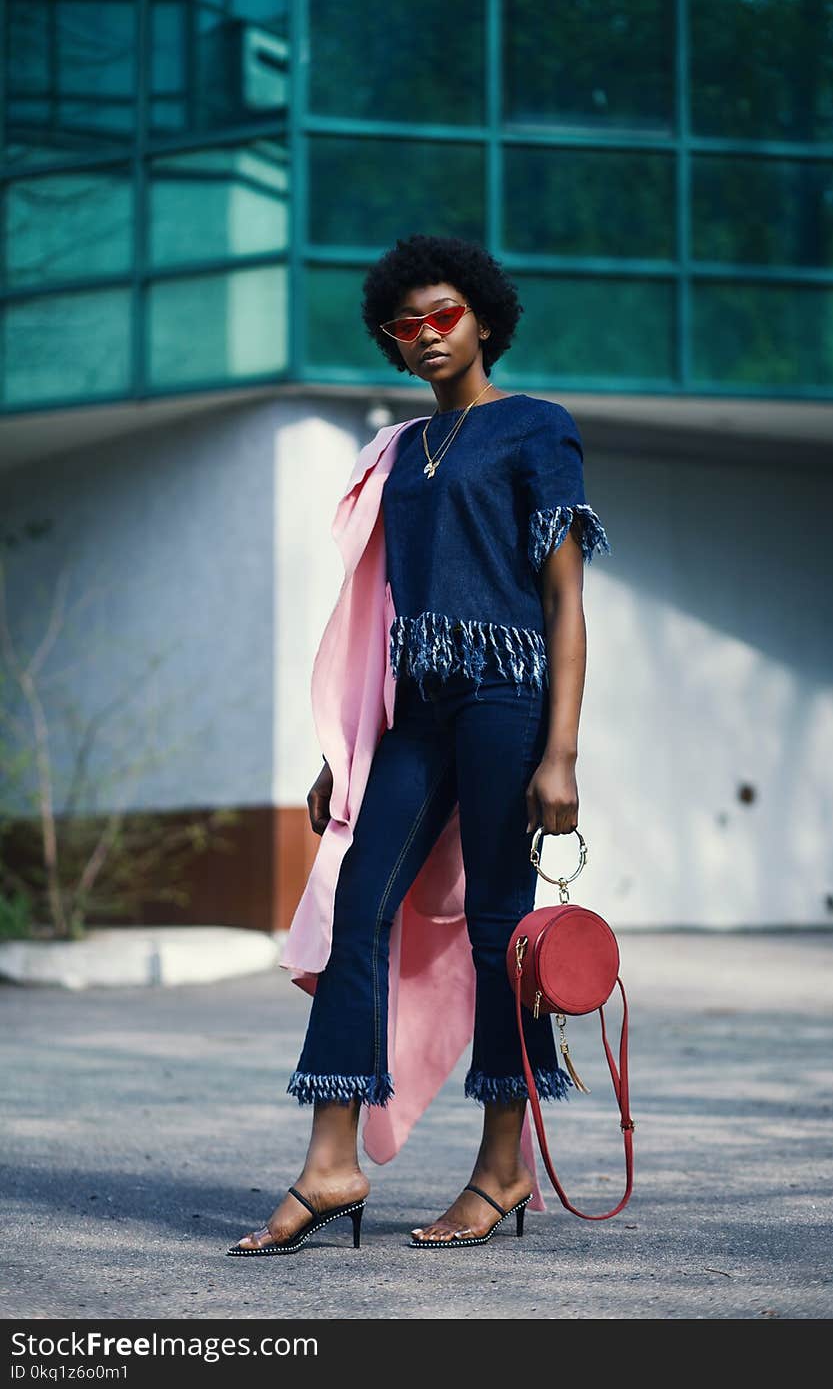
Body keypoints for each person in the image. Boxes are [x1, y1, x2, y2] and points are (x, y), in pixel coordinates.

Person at [229, 234, 610, 1256]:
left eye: (443, 314)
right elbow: (374, 605)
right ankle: (331, 1161)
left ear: (483, 317)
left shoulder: (537, 429)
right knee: (358, 901)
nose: (426, 334)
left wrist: (560, 751)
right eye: (406, 326)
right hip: (413, 706)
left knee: (499, 930)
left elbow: (566, 600)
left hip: (506, 698)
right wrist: (341, 747)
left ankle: (500, 1167)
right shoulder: (401, 453)